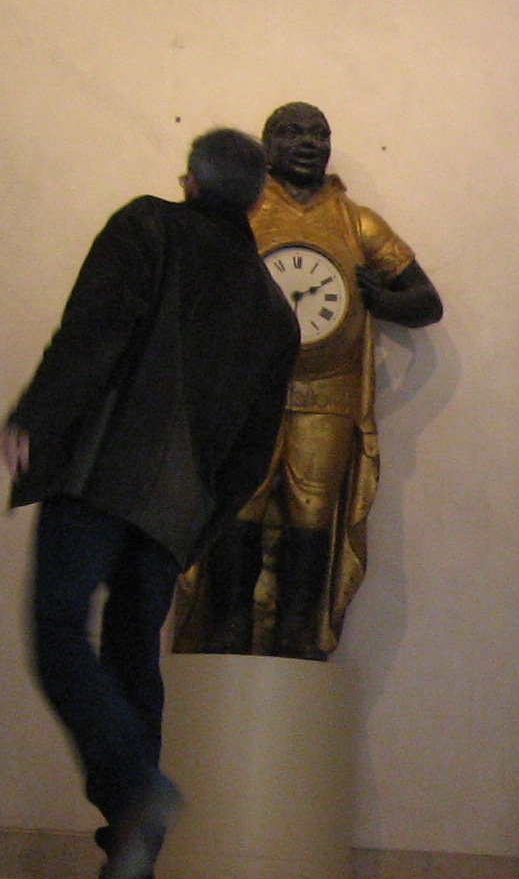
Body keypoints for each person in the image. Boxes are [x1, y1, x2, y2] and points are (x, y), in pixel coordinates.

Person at [0, 128, 300, 879]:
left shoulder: (147, 225)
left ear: (191, 180)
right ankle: (135, 857)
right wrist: (199, 528)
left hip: (102, 474)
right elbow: (253, 453)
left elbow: (91, 335)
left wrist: (31, 418)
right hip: (176, 511)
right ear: (257, 201)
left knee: (58, 631)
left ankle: (136, 790)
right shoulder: (275, 312)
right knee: (133, 661)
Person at [176, 101, 442, 659]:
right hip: (245, 393)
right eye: (292, 132)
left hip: (329, 392)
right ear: (266, 144)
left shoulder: (358, 222)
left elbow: (426, 301)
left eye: (319, 134)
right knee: (238, 505)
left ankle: (299, 635)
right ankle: (227, 628)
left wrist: (384, 300)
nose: (308, 142)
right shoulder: (243, 210)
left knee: (314, 513)